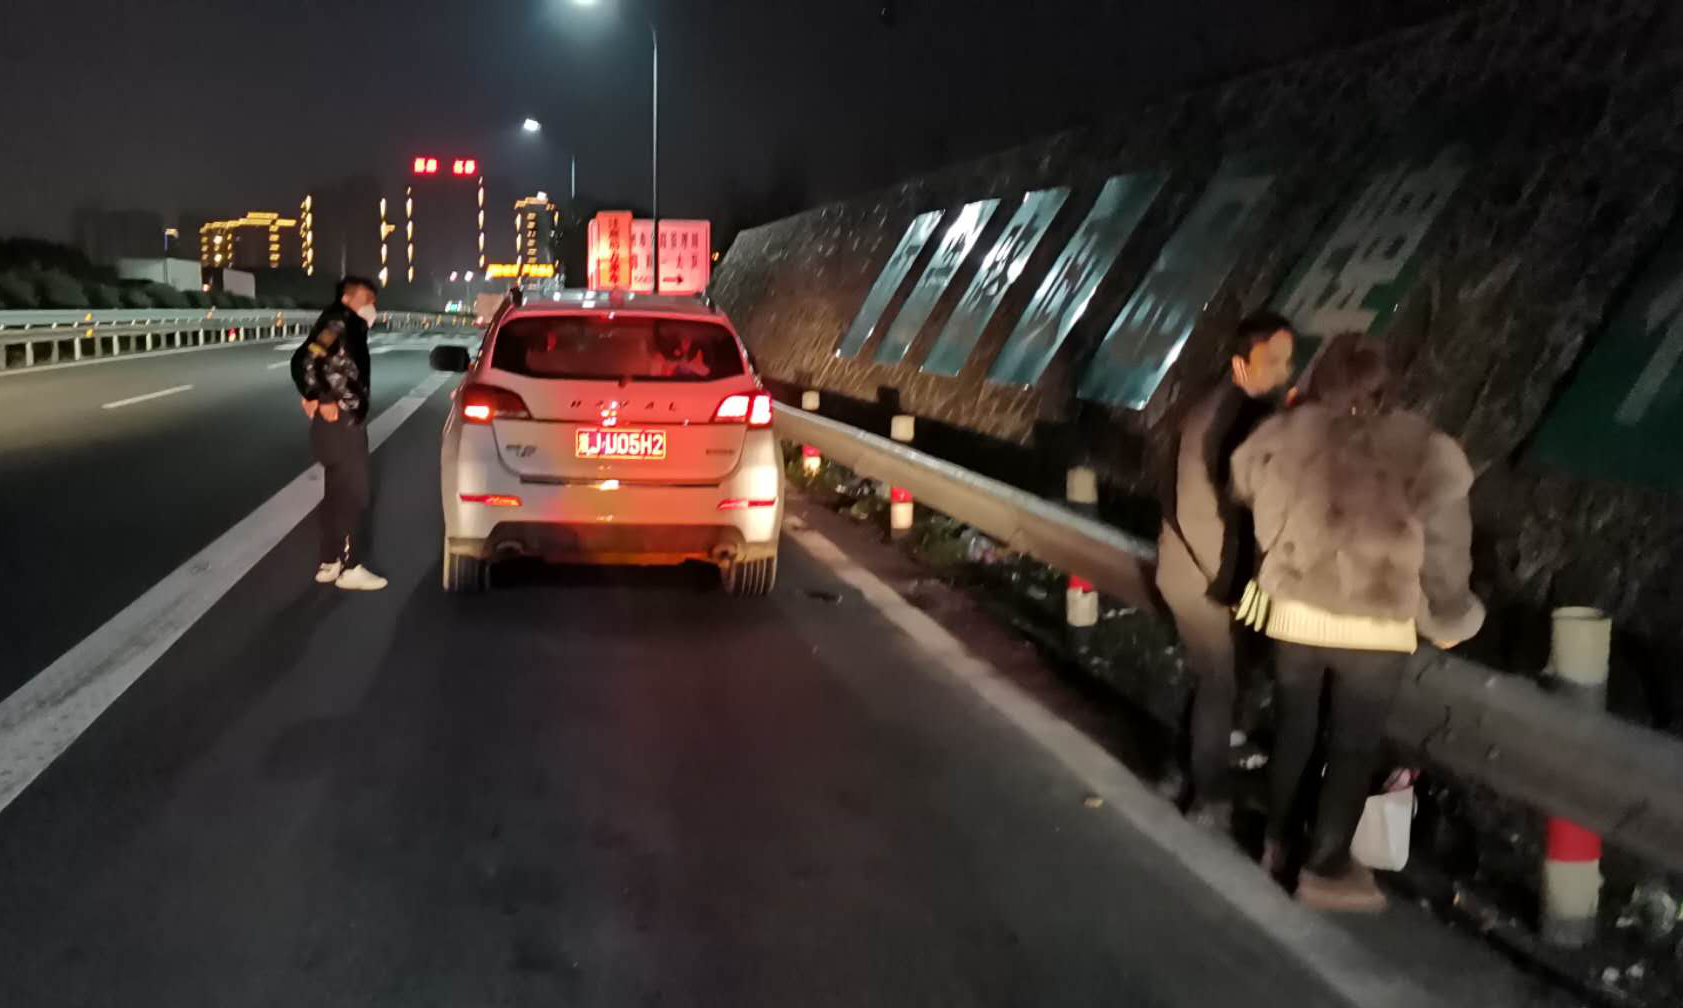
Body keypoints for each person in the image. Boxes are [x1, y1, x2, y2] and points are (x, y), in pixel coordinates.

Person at [1230, 333, 1484, 911]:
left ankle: (1276, 844)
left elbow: (1246, 487)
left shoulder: (1285, 434)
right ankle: (1322, 867)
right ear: (1386, 387)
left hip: (1295, 618)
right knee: (1352, 745)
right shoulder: (1423, 449)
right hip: (1375, 627)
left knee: (1295, 729)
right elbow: (1447, 549)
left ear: (1321, 379)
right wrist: (1448, 616)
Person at [1155, 311, 1296, 828]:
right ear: (1241, 362)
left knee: (1214, 677)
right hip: (1204, 576)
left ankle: (1181, 772)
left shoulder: (1217, 406)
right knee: (1220, 680)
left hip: (1192, 569)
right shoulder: (1227, 416)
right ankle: (1208, 797)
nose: (1283, 371)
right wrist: (1231, 584)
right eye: (1272, 360)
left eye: (1288, 360)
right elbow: (1199, 510)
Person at [291, 276, 387, 591]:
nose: (372, 306)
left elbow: (309, 359)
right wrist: (321, 396)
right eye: (367, 299)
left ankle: (329, 561)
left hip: (336, 421)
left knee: (336, 493)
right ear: (347, 299)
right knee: (355, 493)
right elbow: (306, 359)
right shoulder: (339, 323)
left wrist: (313, 395)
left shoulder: (345, 325)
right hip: (341, 420)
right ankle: (350, 567)